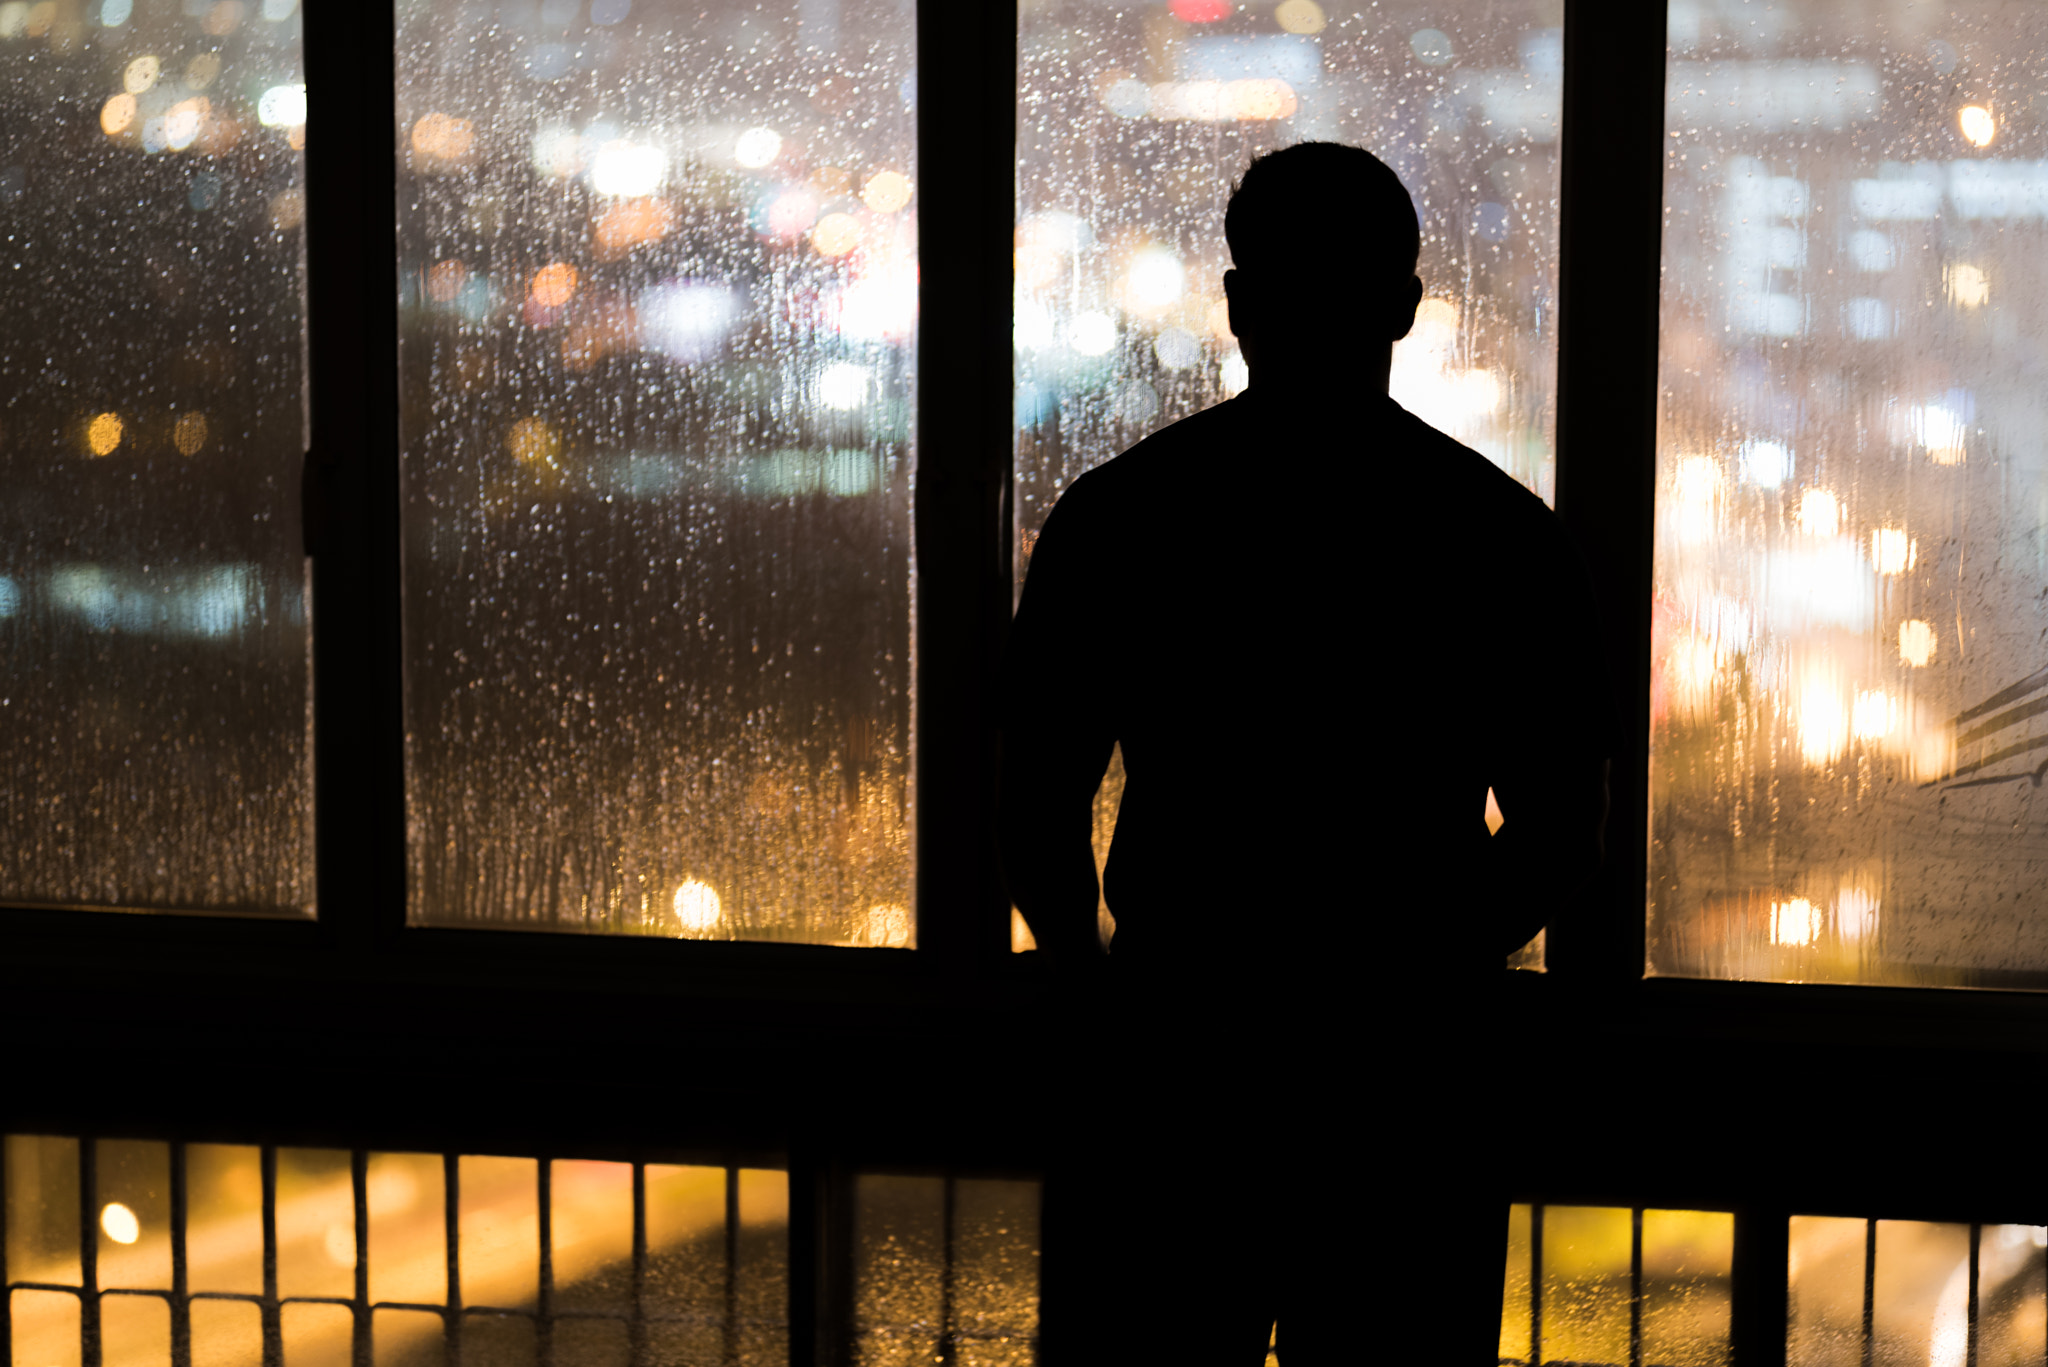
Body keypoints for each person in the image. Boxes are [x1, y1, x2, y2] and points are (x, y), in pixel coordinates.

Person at [999, 142, 1612, 1363]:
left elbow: (1032, 800)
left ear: (1236, 304)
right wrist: (1419, 962)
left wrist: (1098, 994)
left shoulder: (1123, 517)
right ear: (1404, 307)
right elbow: (1555, 832)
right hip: (1407, 1091)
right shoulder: (1499, 540)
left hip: (1176, 1064)